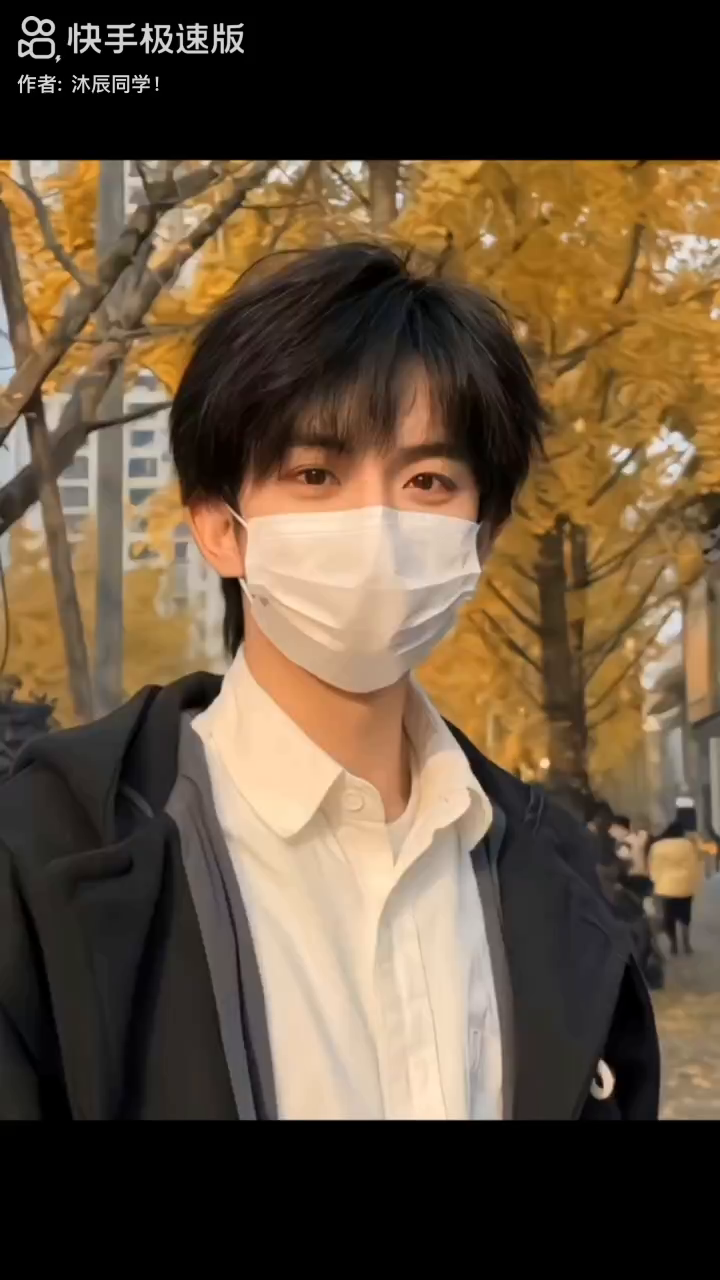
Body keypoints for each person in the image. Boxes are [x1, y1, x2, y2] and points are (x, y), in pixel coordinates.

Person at [0, 243, 660, 1121]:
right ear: (220, 527)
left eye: (427, 480)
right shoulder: (54, 856)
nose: (376, 525)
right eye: (315, 475)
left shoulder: (551, 876)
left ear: (482, 536)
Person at [649, 819, 705, 956]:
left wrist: (654, 882)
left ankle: (673, 944)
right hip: (685, 886)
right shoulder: (688, 845)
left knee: (669, 917)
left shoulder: (657, 846)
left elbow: (653, 866)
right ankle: (686, 944)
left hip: (665, 887)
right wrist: (695, 883)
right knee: (685, 916)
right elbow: (694, 864)